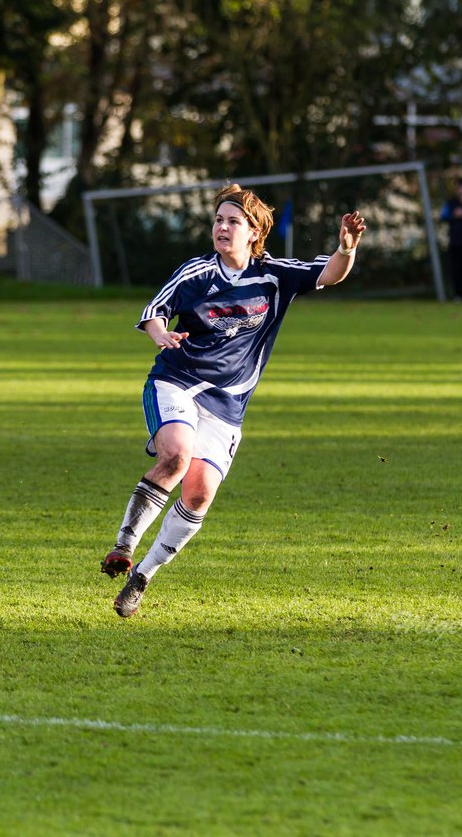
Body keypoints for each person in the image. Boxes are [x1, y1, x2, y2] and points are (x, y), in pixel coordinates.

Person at [101, 184, 365, 618]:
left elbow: (329, 273)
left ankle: (142, 576)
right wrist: (161, 334)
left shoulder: (275, 275)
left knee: (200, 492)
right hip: (177, 381)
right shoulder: (196, 272)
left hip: (228, 405)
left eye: (233, 222)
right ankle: (124, 544)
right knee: (175, 457)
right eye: (218, 220)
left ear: (253, 233)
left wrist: (346, 247)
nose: (222, 228)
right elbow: (155, 311)